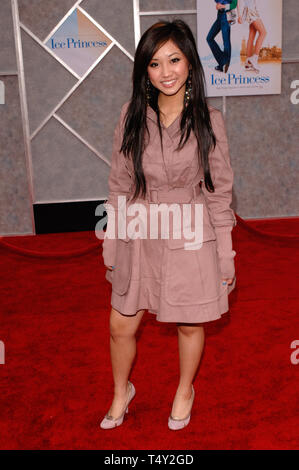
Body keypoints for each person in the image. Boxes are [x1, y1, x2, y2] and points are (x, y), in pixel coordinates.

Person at [100, 19, 237, 431]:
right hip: (140, 229)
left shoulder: (209, 121)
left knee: (190, 320)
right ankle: (122, 390)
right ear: (144, 71)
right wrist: (111, 245)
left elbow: (219, 193)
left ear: (190, 63)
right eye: (155, 64)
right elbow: (119, 185)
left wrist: (226, 257)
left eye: (174, 60)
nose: (167, 72)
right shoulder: (131, 116)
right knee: (120, 322)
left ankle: (184, 389)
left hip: (191, 229)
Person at [237, 0, 267, 72]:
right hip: (251, 10)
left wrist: (240, 15)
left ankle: (248, 61)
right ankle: (254, 59)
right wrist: (239, 15)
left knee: (252, 34)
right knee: (263, 33)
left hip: (250, 10)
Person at [207, 1, 234, 73]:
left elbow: (234, 4)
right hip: (220, 15)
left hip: (226, 15)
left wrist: (223, 6)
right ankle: (223, 63)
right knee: (209, 38)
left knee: (226, 41)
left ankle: (224, 64)